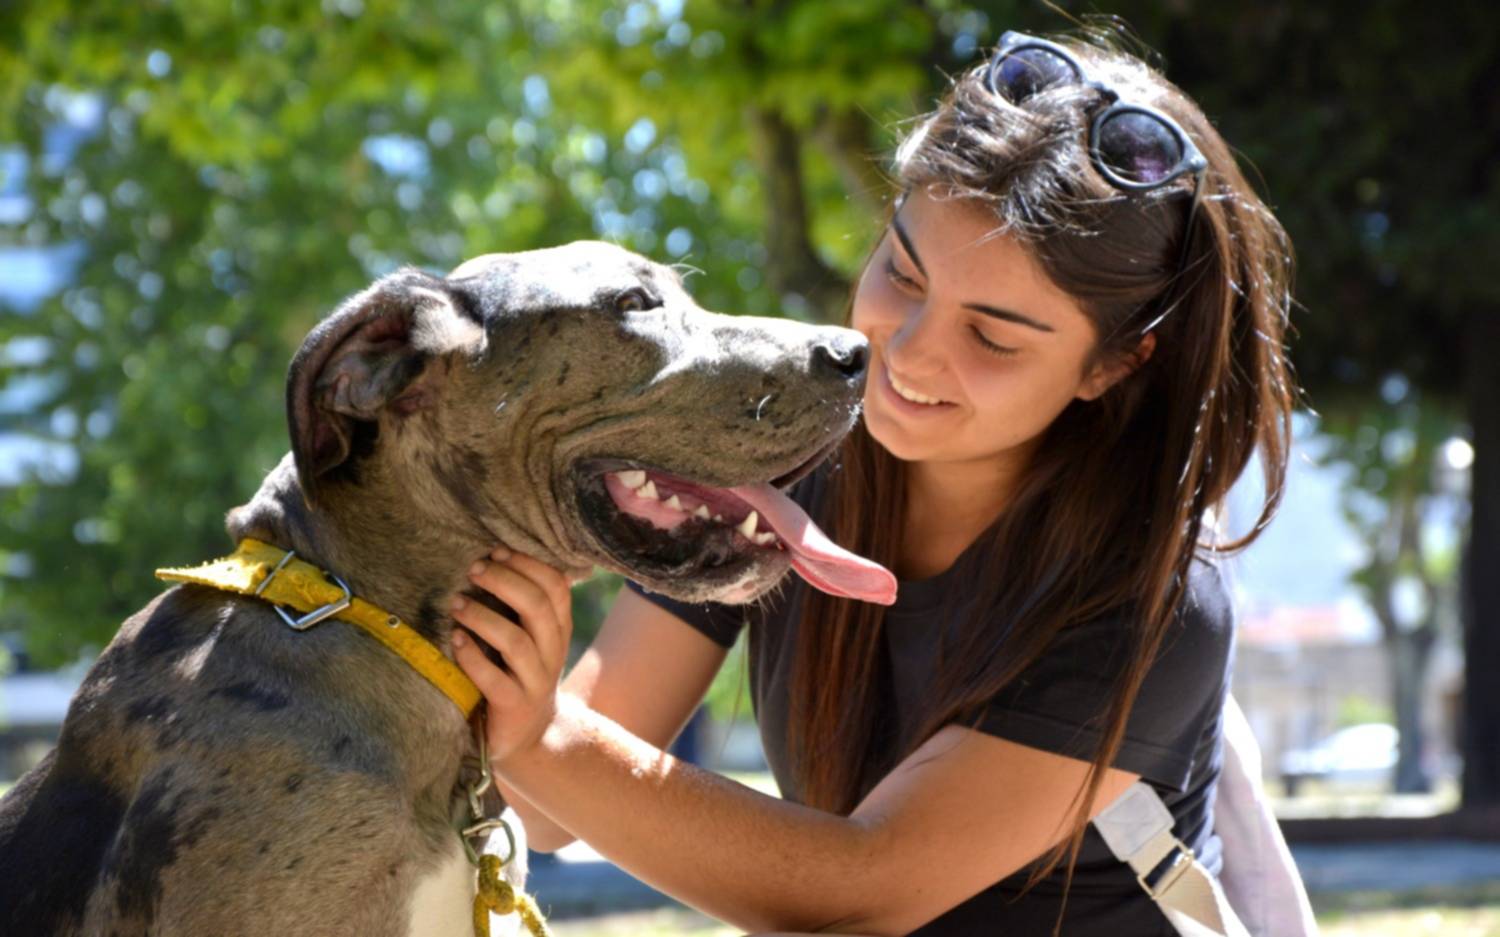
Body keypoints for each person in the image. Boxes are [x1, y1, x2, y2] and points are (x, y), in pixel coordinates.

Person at [447, 28, 1299, 936]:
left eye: (995, 337)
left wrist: (540, 733)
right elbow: (541, 803)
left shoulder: (1157, 595)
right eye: (902, 270)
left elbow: (861, 891)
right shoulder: (787, 470)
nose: (912, 351)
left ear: (1115, 364)